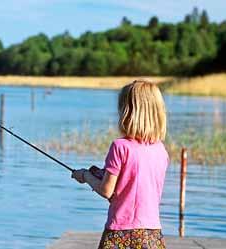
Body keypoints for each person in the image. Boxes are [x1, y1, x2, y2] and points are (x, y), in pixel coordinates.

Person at [72, 80, 169, 249]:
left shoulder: (120, 147)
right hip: (152, 233)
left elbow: (106, 190)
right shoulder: (161, 150)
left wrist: (86, 176)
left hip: (120, 233)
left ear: (127, 112)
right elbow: (137, 186)